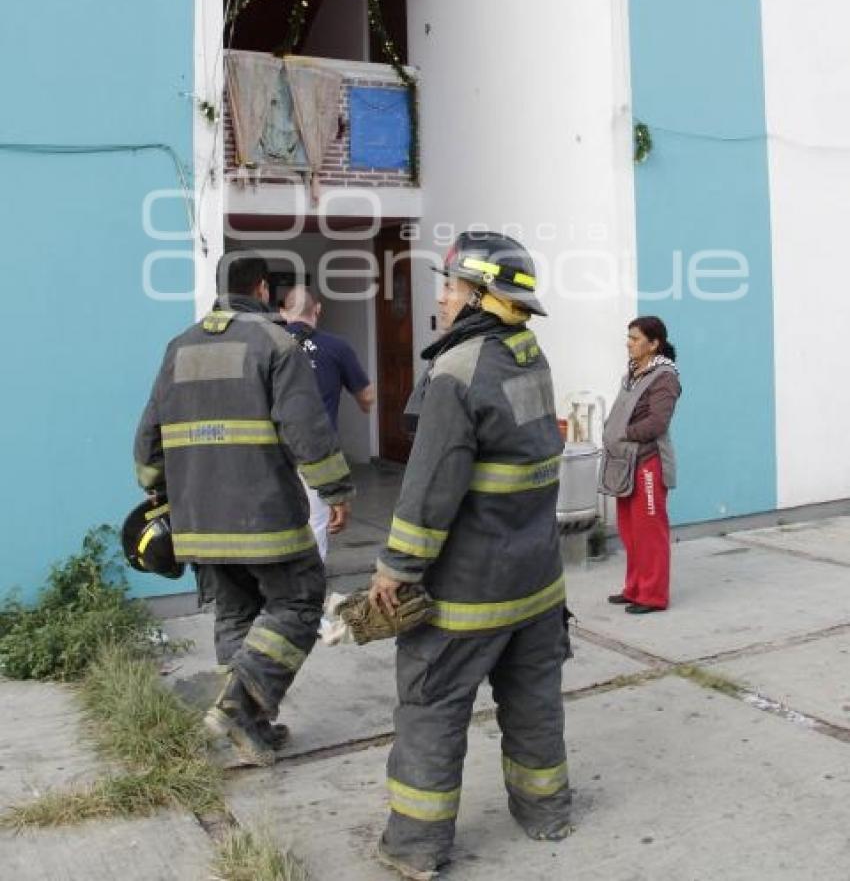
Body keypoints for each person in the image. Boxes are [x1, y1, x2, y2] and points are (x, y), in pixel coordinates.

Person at [368, 231, 573, 881]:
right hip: (537, 584)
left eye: (452, 285)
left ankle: (415, 847)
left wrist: (396, 569)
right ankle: (546, 812)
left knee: (431, 708)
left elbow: (429, 488)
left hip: (467, 593)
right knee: (534, 700)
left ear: (484, 295)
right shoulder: (527, 354)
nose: (443, 296)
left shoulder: (458, 371)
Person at [134, 253, 353, 767]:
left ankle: (252, 727)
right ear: (260, 289)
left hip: (196, 518)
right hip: (264, 515)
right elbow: (306, 428)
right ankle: (237, 705)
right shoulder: (275, 343)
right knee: (300, 602)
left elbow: (148, 442)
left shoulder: (178, 347)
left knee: (235, 614)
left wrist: (159, 491)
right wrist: (336, 490)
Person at [281, 284, 375, 559]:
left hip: (273, 453)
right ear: (318, 310)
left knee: (275, 524)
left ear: (282, 313)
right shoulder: (337, 347)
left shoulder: (267, 344)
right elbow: (367, 397)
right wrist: (364, 404)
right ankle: (312, 596)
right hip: (319, 456)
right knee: (315, 526)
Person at [604, 315, 681, 614]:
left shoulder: (665, 377)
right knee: (629, 529)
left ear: (653, 344)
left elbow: (658, 422)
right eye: (629, 337)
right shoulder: (633, 373)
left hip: (649, 462)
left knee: (650, 530)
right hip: (626, 462)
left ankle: (653, 596)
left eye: (635, 339)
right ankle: (634, 588)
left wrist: (623, 433)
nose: (629, 343)